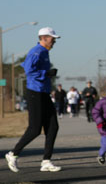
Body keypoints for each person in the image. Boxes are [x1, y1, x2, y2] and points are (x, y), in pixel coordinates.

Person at [5, 27, 62, 173]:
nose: (54, 41)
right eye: (52, 38)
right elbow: (28, 69)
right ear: (43, 38)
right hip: (35, 93)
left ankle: (46, 161)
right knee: (35, 129)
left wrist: (47, 74)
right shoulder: (37, 51)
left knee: (53, 126)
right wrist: (47, 72)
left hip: (43, 93)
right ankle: (13, 154)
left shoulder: (44, 52)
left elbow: (26, 65)